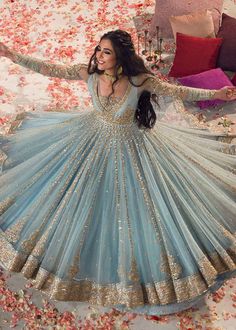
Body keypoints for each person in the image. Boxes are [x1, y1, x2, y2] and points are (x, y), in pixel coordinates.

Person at [0, 30, 235, 316]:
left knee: (143, 203)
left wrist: (217, 93)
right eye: (98, 49)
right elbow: (50, 69)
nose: (99, 56)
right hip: (89, 135)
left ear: (120, 55)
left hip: (132, 145)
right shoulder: (88, 73)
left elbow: (179, 92)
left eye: (106, 52)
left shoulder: (140, 81)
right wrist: (12, 55)